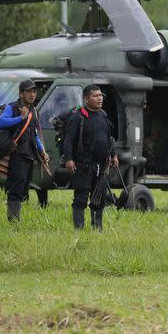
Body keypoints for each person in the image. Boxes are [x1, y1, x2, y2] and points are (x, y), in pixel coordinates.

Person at [62, 84, 119, 231]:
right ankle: (79, 229)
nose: (100, 98)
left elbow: (108, 138)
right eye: (96, 96)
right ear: (86, 99)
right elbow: (68, 140)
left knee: (99, 198)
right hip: (82, 165)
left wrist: (113, 155)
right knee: (80, 197)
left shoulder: (103, 116)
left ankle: (97, 228)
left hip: (101, 165)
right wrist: (68, 159)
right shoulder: (78, 117)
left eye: (100, 95)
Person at [0, 79, 50, 223]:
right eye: (28, 91)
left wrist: (42, 150)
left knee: (23, 188)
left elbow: (34, 134)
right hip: (16, 155)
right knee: (15, 188)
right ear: (21, 93)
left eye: (34, 91)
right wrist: (20, 118)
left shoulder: (33, 110)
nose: (32, 94)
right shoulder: (13, 107)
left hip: (29, 155)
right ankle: (13, 222)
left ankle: (15, 220)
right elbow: (1, 122)